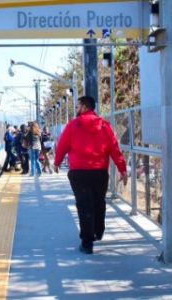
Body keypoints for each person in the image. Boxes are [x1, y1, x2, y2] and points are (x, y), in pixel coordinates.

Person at [53, 96, 127, 254]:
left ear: (85, 107)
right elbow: (114, 148)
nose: (76, 109)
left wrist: (57, 162)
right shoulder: (104, 126)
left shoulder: (73, 125)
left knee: (84, 204)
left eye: (78, 106)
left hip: (78, 173)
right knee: (99, 202)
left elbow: (62, 145)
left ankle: (87, 243)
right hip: (99, 172)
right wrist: (122, 169)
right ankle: (98, 231)